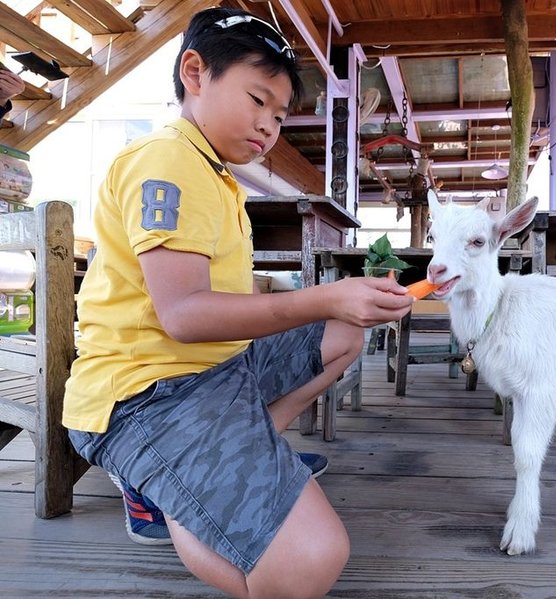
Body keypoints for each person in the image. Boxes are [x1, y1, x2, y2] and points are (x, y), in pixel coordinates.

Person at [62, 7, 414, 598]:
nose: (270, 126)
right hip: (146, 397)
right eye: (257, 99)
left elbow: (227, 306)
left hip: (217, 374)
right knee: (310, 562)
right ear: (194, 73)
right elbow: (184, 316)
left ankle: (220, 463)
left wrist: (337, 305)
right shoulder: (168, 160)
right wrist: (325, 294)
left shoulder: (215, 172)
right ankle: (171, 486)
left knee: (342, 334)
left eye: (279, 115)